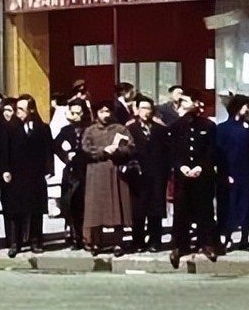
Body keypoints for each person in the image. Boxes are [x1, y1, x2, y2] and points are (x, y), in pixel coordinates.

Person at [169, 91, 218, 268]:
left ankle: (207, 243)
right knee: (181, 211)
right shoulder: (176, 126)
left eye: (188, 99)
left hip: (202, 175)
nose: (184, 102)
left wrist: (200, 167)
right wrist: (181, 166)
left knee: (204, 210)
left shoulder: (208, 126)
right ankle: (179, 245)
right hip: (183, 176)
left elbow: (211, 151)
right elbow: (172, 151)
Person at [80, 100, 134, 256]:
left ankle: (118, 242)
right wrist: (103, 150)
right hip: (96, 172)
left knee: (117, 206)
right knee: (95, 208)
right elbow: (85, 149)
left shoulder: (120, 129)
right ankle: (96, 242)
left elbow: (130, 147)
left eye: (108, 111)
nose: (105, 114)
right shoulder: (90, 131)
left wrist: (117, 151)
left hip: (115, 170)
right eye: (102, 111)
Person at [2, 95, 53, 257]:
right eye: (17, 109)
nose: (18, 113)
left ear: (31, 110)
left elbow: (48, 150)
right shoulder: (10, 128)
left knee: (36, 210)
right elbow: (5, 151)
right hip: (16, 175)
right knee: (16, 210)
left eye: (22, 109)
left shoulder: (42, 128)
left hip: (36, 175)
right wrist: (5, 170)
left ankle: (36, 241)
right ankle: (15, 243)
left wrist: (48, 170)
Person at [126, 95, 169, 253]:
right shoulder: (130, 129)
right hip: (137, 175)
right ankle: (137, 241)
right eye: (143, 108)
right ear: (136, 110)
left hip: (156, 174)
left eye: (149, 109)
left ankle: (155, 240)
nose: (146, 112)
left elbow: (166, 152)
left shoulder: (160, 129)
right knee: (138, 210)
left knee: (155, 209)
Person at [214, 94, 249, 252]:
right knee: (228, 207)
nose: (248, 110)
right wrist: (224, 173)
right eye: (246, 106)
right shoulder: (223, 128)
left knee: (246, 207)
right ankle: (226, 237)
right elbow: (218, 154)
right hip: (229, 173)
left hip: (247, 174)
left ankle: (245, 239)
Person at [53, 100, 90, 250]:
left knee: (84, 205)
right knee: (71, 204)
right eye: (72, 113)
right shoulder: (66, 130)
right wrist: (65, 156)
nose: (75, 116)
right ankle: (74, 236)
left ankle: (86, 236)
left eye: (78, 113)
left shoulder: (89, 129)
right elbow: (55, 145)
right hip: (71, 172)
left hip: (86, 170)